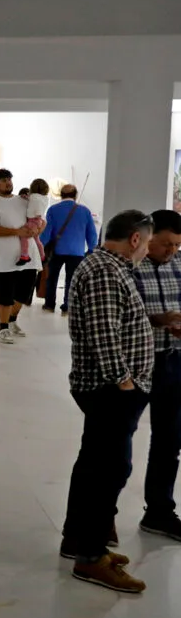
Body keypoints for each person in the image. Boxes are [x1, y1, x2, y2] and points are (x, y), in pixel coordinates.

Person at [59, 210, 155, 593]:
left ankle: (79, 541)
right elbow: (104, 336)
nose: (146, 251)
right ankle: (91, 557)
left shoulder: (110, 267)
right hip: (109, 390)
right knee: (111, 470)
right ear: (134, 239)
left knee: (93, 464)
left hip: (110, 389)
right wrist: (125, 383)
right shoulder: (104, 270)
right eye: (147, 243)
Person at [133, 209, 181, 541]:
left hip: (174, 362)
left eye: (177, 245)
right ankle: (101, 517)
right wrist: (161, 320)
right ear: (148, 238)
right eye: (166, 244)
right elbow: (122, 315)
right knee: (114, 442)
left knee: (169, 440)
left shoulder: (179, 264)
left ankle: (159, 512)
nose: (172, 251)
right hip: (136, 363)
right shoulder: (127, 267)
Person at [0, 168, 43, 344]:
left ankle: (12, 321)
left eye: (9, 179)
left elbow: (40, 220)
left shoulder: (24, 202)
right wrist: (17, 231)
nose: (8, 182)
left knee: (23, 295)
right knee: (4, 295)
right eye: (3, 180)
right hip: (2, 259)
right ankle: (3, 328)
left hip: (28, 258)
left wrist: (37, 229)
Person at [40, 184, 97, 314]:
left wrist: (41, 246)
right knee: (71, 280)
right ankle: (67, 307)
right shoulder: (85, 211)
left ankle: (49, 305)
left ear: (61, 195)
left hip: (56, 251)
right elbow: (92, 234)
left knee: (52, 278)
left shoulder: (53, 210)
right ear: (75, 195)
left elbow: (47, 232)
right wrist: (91, 249)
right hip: (77, 252)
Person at [17, 178, 50, 265]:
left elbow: (33, 201)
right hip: (39, 221)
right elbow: (35, 202)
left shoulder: (33, 197)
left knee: (23, 236)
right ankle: (43, 257)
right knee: (37, 240)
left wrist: (25, 197)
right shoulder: (45, 198)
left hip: (33, 220)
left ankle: (25, 255)